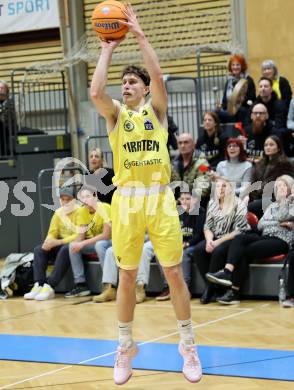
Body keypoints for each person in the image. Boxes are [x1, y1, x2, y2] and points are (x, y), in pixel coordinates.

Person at [90, 5, 202, 385]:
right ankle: (125, 346)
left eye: (132, 82)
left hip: (158, 198)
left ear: (144, 88)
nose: (125, 86)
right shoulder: (116, 116)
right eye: (123, 83)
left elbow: (157, 75)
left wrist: (137, 34)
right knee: (126, 277)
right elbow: (94, 92)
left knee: (173, 273)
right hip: (126, 200)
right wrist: (107, 48)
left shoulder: (156, 111)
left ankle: (187, 344)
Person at [206, 175, 294, 304]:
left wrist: (286, 201)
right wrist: (276, 222)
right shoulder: (272, 205)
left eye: (283, 185)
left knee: (244, 251)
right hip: (266, 236)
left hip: (282, 240)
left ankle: (234, 292)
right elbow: (260, 224)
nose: (280, 188)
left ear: (290, 188)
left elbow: (282, 216)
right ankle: (227, 272)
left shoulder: (291, 203)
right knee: (240, 238)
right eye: (277, 186)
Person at [193, 177, 248, 304]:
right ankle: (212, 287)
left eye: (224, 186)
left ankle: (210, 289)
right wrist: (209, 240)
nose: (221, 188)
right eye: (217, 186)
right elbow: (207, 226)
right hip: (216, 237)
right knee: (198, 250)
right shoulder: (212, 203)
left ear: (231, 188)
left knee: (218, 251)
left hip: (233, 238)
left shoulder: (238, 204)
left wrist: (216, 242)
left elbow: (239, 230)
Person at [24, 187, 80, 301]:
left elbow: (79, 236)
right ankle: (39, 284)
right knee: (39, 249)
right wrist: (48, 242)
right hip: (61, 244)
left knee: (65, 249)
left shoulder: (80, 211)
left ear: (74, 200)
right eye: (62, 199)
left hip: (76, 245)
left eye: (68, 199)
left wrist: (58, 242)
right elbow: (52, 232)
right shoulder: (58, 213)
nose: (65, 202)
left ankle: (50, 286)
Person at [156, 191, 205, 300]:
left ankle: (185, 287)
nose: (185, 201)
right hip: (179, 243)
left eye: (188, 199)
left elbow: (199, 235)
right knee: (160, 253)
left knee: (185, 252)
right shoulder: (177, 213)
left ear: (194, 200)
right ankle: (168, 286)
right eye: (182, 199)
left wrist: (187, 244)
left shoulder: (200, 212)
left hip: (195, 244)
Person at [65, 186, 111, 298]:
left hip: (112, 241)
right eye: (82, 197)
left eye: (88, 196)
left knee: (100, 245)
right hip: (97, 243)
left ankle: (109, 285)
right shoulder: (82, 211)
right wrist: (76, 244)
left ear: (95, 197)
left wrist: (82, 243)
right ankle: (81, 284)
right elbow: (81, 236)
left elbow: (106, 235)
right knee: (73, 246)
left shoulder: (105, 208)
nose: (85, 200)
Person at [92, 239, 153, 304]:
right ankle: (109, 289)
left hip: (153, 238)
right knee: (111, 251)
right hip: (133, 238)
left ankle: (140, 289)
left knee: (143, 250)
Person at [248, 135, 294, 218]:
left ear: (279, 148)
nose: (268, 147)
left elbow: (280, 186)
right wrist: (253, 197)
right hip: (258, 198)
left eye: (271, 145)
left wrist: (259, 192)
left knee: (249, 208)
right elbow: (253, 184)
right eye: (266, 145)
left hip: (275, 198)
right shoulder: (259, 164)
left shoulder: (285, 164)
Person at [217, 54, 256, 125]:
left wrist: (243, 100)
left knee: (240, 111)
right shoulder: (229, 81)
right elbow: (224, 101)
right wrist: (221, 107)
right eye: (233, 65)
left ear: (242, 66)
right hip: (230, 112)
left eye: (238, 65)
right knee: (214, 113)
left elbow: (251, 99)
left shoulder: (248, 80)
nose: (235, 67)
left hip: (244, 111)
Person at [171, 132, 210, 203]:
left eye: (186, 142)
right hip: (176, 203)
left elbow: (203, 188)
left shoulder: (202, 163)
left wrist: (186, 201)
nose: (182, 145)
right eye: (180, 143)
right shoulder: (174, 163)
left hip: (196, 204)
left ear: (193, 145)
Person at [0, 79, 16, 157]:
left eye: (2, 88)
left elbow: (6, 116)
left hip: (8, 127)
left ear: (6, 90)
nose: (0, 90)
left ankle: (3, 153)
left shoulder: (9, 101)